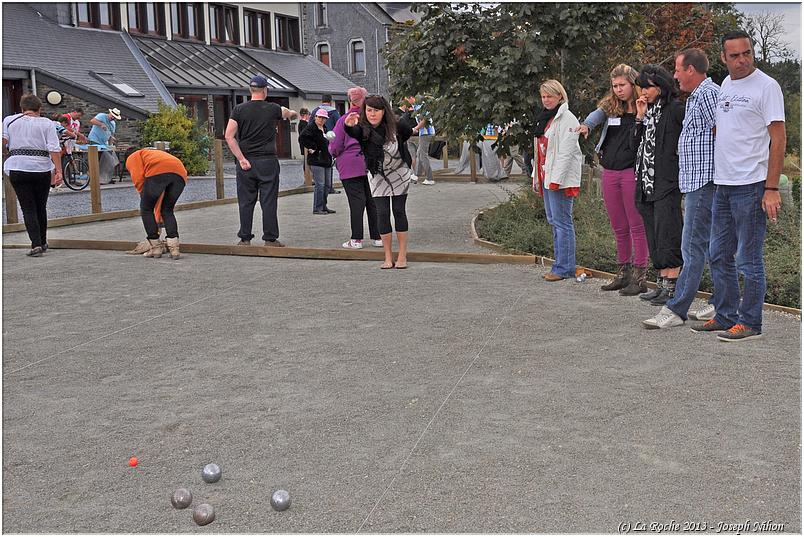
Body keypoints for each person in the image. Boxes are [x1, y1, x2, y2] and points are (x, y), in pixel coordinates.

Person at [691, 30, 785, 342]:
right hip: (723, 185)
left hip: (752, 185)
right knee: (718, 254)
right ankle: (726, 315)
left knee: (748, 258)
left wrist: (771, 188)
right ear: (723, 58)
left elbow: (778, 138)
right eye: (735, 55)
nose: (742, 60)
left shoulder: (767, 87)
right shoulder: (726, 86)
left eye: (747, 53)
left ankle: (751, 322)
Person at [643, 49, 720, 329]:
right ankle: (721, 301)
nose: (674, 76)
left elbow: (722, 130)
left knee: (691, 246)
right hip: (696, 182)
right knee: (711, 246)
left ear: (691, 70)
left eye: (677, 69)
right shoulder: (698, 95)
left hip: (704, 181)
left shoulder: (709, 93)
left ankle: (676, 308)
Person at [577, 64, 649, 295]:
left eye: (622, 85)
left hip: (632, 172)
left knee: (636, 224)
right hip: (610, 170)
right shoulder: (610, 107)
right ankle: (623, 272)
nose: (618, 90)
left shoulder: (645, 106)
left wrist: (640, 115)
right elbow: (595, 116)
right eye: (615, 86)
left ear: (633, 84)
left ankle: (640, 276)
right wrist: (586, 125)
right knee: (618, 225)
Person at [632, 65, 685, 305]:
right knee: (654, 234)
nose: (644, 91)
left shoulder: (675, 109)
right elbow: (634, 146)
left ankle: (672, 286)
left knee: (668, 233)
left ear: (662, 87)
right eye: (641, 87)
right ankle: (661, 282)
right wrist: (640, 116)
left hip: (667, 183)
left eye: (649, 87)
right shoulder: (649, 112)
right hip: (645, 182)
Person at [225, 75, 297, 247]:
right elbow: (290, 114)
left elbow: (229, 136)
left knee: (245, 201)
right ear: (265, 90)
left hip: (246, 162)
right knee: (269, 200)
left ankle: (245, 238)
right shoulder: (273, 108)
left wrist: (241, 159)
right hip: (267, 161)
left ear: (251, 90)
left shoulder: (239, 110)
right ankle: (270, 239)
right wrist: (291, 113)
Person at [344, 95, 414, 269]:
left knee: (399, 211)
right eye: (369, 110)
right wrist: (347, 125)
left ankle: (402, 255)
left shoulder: (396, 125)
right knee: (382, 213)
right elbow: (354, 132)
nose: (372, 114)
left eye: (376, 110)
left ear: (384, 111)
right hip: (377, 174)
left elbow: (407, 133)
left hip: (399, 171)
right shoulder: (362, 128)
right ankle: (388, 257)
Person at [532, 80, 583, 281]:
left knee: (562, 222)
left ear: (560, 96)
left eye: (550, 96)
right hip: (547, 176)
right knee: (554, 221)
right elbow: (541, 151)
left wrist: (556, 180)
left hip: (558, 179)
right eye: (543, 96)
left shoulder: (567, 119)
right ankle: (560, 264)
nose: (546, 100)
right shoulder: (545, 118)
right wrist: (537, 176)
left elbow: (566, 153)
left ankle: (565, 267)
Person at [1, 93, 63, 256]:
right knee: (40, 207)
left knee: (27, 207)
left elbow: (3, 142)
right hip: (41, 168)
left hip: (18, 166)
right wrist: (58, 170)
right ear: (40, 109)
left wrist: (7, 154)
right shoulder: (47, 123)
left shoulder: (9, 120)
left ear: (21, 108)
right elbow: (54, 149)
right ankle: (42, 242)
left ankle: (36, 244)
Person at [331, 86, 383, 249]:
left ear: (349, 100)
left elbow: (336, 145)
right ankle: (377, 237)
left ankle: (356, 239)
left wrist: (333, 152)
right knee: (372, 200)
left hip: (349, 164)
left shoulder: (344, 119)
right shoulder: (371, 119)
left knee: (356, 202)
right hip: (370, 163)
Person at [124, 148, 188, 259]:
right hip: (180, 173)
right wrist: (157, 219)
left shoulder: (132, 156)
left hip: (158, 171)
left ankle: (155, 247)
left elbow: (138, 178)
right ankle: (174, 248)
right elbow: (159, 195)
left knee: (146, 209)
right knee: (167, 210)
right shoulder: (151, 153)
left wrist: (144, 197)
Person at [299, 109, 336, 215]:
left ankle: (323, 206)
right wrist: (312, 147)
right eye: (319, 117)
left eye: (323, 118)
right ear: (315, 117)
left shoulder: (325, 128)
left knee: (328, 185)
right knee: (320, 184)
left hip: (326, 159)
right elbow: (302, 138)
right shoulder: (310, 128)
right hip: (316, 159)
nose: (321, 119)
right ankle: (317, 208)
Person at [311, 94, 341, 194]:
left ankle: (321, 185)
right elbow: (339, 126)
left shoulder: (315, 111)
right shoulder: (334, 112)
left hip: (317, 141)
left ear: (322, 100)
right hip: (330, 141)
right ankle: (329, 187)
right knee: (329, 163)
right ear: (331, 101)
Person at [88, 107, 121, 184]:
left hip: (104, 144)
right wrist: (101, 124)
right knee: (97, 159)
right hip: (94, 140)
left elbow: (111, 135)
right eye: (112, 116)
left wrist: (110, 145)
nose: (113, 118)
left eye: (114, 117)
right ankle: (94, 178)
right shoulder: (102, 116)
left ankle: (105, 177)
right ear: (110, 113)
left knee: (109, 160)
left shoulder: (113, 123)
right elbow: (92, 121)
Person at [411, 96, 436, 185]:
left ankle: (430, 178)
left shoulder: (419, 107)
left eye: (408, 98)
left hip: (426, 133)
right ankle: (416, 175)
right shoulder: (418, 106)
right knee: (419, 154)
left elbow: (423, 121)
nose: (407, 101)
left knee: (423, 156)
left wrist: (415, 129)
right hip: (425, 133)